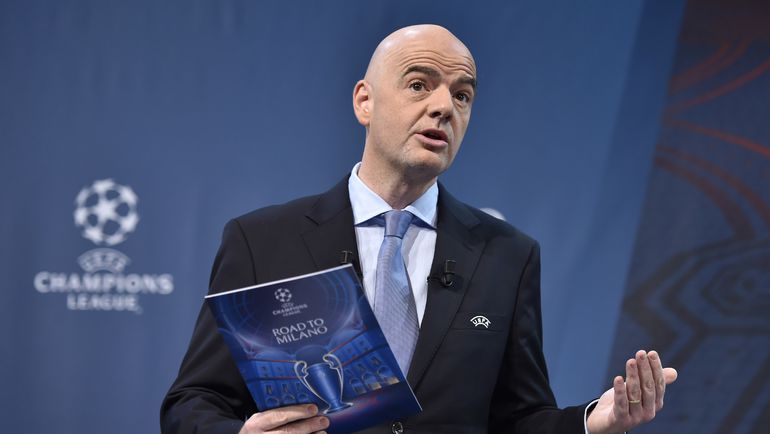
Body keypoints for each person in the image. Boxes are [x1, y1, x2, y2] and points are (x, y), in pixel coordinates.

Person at [161, 24, 677, 434]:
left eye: (463, 95)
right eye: (418, 85)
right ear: (364, 101)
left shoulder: (506, 255)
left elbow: (519, 419)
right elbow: (193, 402)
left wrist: (592, 423)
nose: (443, 107)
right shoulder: (262, 241)